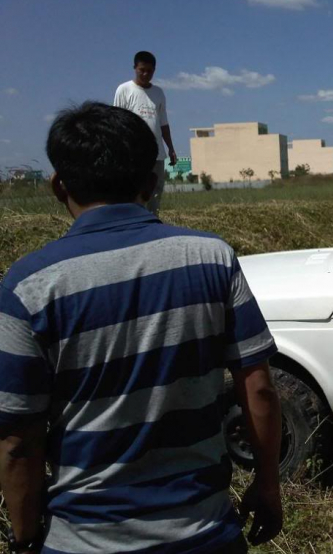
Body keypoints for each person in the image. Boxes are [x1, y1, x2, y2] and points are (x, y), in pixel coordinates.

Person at [0, 102, 282, 554]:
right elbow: (260, 389)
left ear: (58, 186)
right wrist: (268, 485)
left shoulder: (30, 285)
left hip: (84, 539)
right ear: (151, 183)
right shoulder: (211, 257)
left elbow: (18, 439)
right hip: (204, 531)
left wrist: (24, 536)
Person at [114, 50, 177, 216]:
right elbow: (117, 122)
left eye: (149, 71)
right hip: (134, 153)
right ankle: (134, 222)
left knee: (155, 191)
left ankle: (152, 221)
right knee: (135, 190)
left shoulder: (158, 93)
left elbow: (163, 123)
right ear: (135, 68)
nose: (145, 74)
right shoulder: (124, 90)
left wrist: (170, 148)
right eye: (142, 70)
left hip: (156, 153)